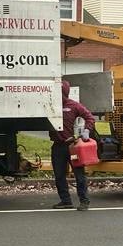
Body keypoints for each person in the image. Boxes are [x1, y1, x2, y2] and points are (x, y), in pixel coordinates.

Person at [50, 80, 96, 211]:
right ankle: (65, 201)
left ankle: (84, 201)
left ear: (64, 92)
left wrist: (86, 130)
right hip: (57, 146)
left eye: (60, 92)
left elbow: (90, 117)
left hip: (73, 146)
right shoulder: (50, 105)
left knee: (79, 174)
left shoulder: (74, 106)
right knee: (59, 175)